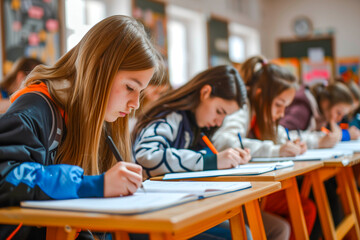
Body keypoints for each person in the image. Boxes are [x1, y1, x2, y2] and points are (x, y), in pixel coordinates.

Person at [0, 15, 162, 240]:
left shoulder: (100, 119)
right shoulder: (36, 107)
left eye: (140, 92)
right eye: (129, 87)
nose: (135, 104)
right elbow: (6, 179)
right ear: (99, 70)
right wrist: (95, 184)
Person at [133, 65, 290, 240]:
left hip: (184, 206)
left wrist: (229, 159)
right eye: (219, 112)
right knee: (241, 234)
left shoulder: (199, 125)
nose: (218, 121)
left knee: (244, 231)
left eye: (225, 117)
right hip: (154, 212)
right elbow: (146, 157)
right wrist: (210, 161)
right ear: (205, 92)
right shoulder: (170, 115)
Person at [212, 56, 315, 240]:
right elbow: (224, 141)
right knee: (302, 208)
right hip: (234, 191)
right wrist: (276, 151)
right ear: (260, 96)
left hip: (254, 188)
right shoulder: (242, 107)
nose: (282, 113)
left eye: (285, 107)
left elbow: (286, 136)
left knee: (301, 208)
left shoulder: (266, 115)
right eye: (278, 105)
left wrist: (299, 144)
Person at [280, 81, 354, 148]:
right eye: (338, 113)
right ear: (326, 102)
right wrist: (318, 142)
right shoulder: (302, 109)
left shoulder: (321, 115)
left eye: (343, 115)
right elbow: (283, 135)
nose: (339, 119)